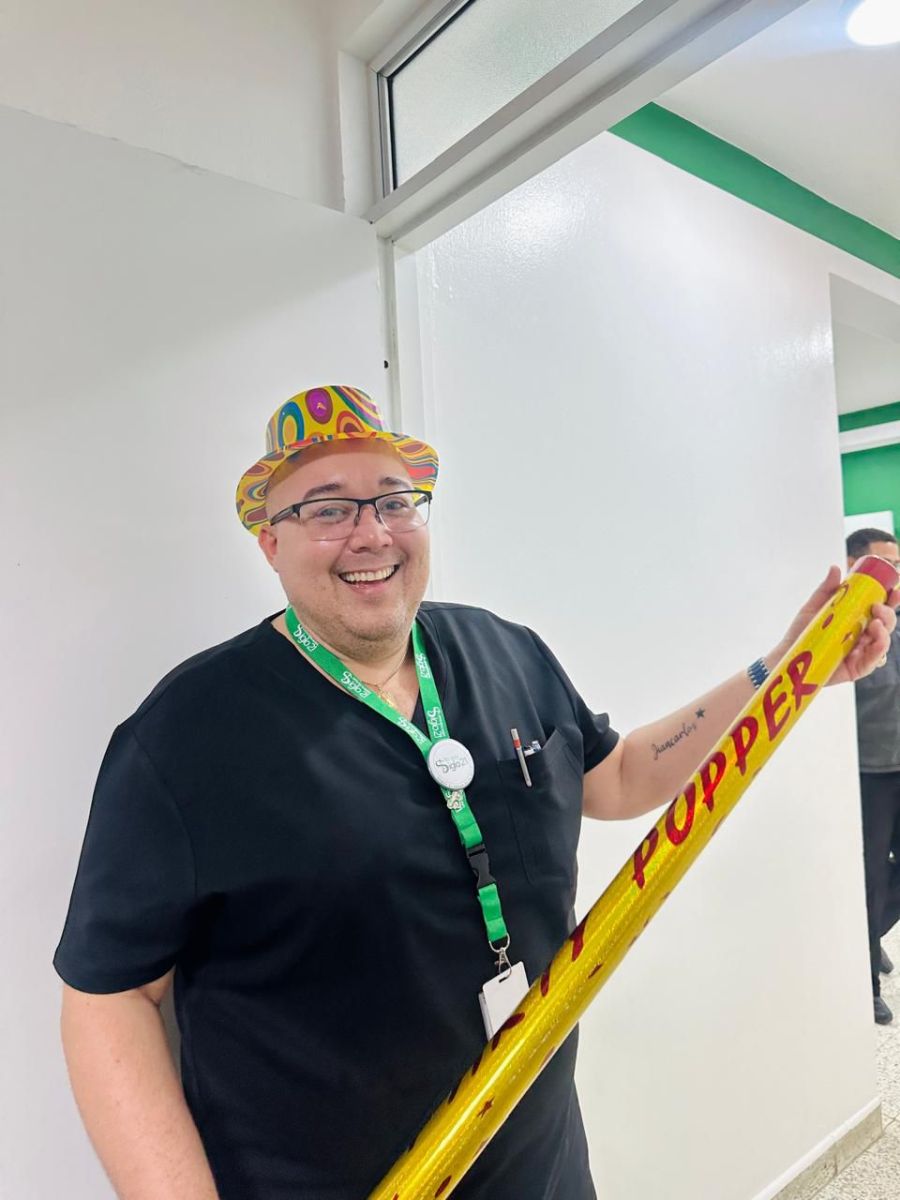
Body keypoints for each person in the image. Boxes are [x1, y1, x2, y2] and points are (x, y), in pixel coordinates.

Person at [55, 385, 897, 1200]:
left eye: (395, 500)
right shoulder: (186, 736)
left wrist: (784, 669)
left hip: (543, 1167)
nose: (371, 533)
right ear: (270, 542)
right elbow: (110, 998)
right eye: (327, 508)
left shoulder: (505, 651)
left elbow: (623, 776)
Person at [846, 527, 900, 1025]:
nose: (896, 575)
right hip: (867, 774)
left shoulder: (896, 618)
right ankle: (865, 983)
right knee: (870, 878)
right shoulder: (844, 629)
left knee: (886, 885)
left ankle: (872, 931)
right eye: (887, 565)